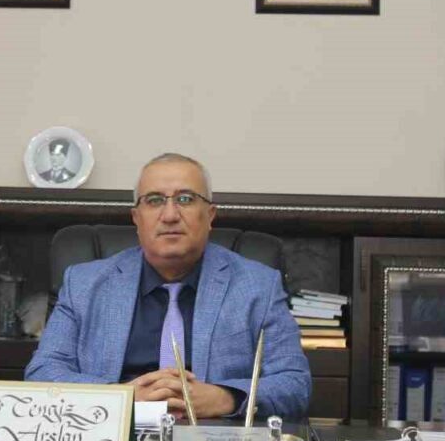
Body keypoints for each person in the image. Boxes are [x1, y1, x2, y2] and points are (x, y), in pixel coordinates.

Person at [25, 153, 312, 420]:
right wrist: (122, 398)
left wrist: (225, 398)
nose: (170, 215)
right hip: (117, 438)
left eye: (185, 199)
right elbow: (42, 373)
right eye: (154, 200)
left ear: (210, 215)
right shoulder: (84, 284)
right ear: (136, 218)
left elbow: (294, 383)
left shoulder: (258, 286)